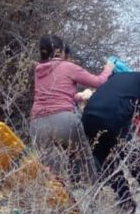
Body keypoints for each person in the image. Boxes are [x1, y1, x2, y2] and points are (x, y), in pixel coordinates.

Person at [81, 62, 140, 214]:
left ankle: (126, 202)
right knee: (132, 155)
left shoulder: (120, 77)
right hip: (113, 118)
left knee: (108, 162)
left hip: (88, 120)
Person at [30, 35, 114, 180]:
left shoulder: (38, 69)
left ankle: (56, 199)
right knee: (84, 158)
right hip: (64, 121)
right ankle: (92, 195)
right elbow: (99, 82)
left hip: (37, 123)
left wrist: (77, 96)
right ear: (58, 50)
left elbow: (51, 94)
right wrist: (108, 69)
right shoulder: (68, 66)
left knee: (50, 171)